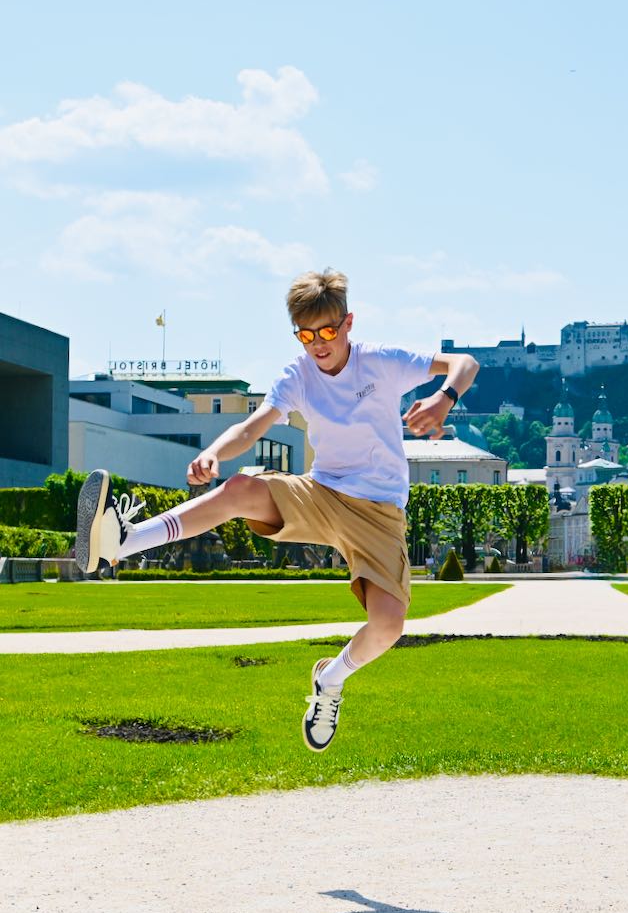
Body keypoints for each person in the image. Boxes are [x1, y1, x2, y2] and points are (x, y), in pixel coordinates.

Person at [75, 269, 478, 752]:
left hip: (379, 511)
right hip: (323, 492)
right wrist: (215, 455)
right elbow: (253, 427)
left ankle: (330, 680)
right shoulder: (298, 375)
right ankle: (126, 540)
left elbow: (465, 361)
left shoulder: (382, 361)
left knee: (389, 625)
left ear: (348, 323)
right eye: (306, 335)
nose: (318, 344)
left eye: (327, 332)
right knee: (243, 487)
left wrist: (443, 397)